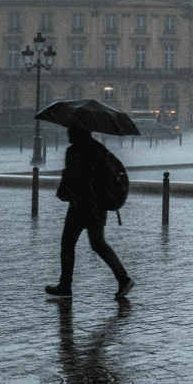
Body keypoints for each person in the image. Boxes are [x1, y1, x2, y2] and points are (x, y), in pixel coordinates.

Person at [45, 126, 134, 299]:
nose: (67, 133)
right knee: (98, 243)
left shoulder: (74, 151)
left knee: (67, 244)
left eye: (70, 130)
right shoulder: (98, 149)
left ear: (75, 132)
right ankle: (123, 278)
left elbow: (73, 179)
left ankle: (65, 286)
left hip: (80, 205)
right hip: (98, 205)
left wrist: (64, 189)